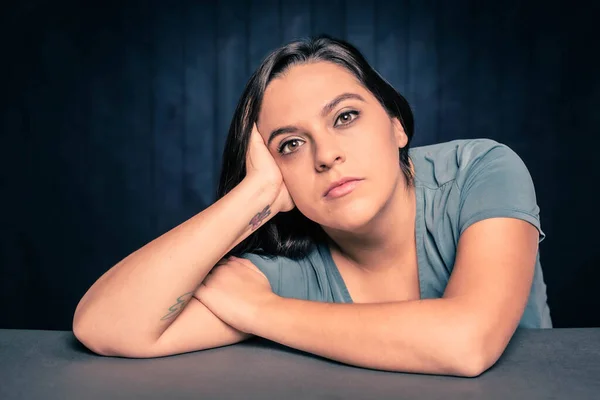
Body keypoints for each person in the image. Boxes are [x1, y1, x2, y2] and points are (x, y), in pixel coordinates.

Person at [72, 35, 552, 377]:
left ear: (396, 126)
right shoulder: (295, 271)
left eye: (345, 117)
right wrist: (254, 195)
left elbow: (467, 342)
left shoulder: (481, 172)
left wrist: (263, 314)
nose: (326, 156)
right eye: (290, 145)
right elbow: (104, 327)